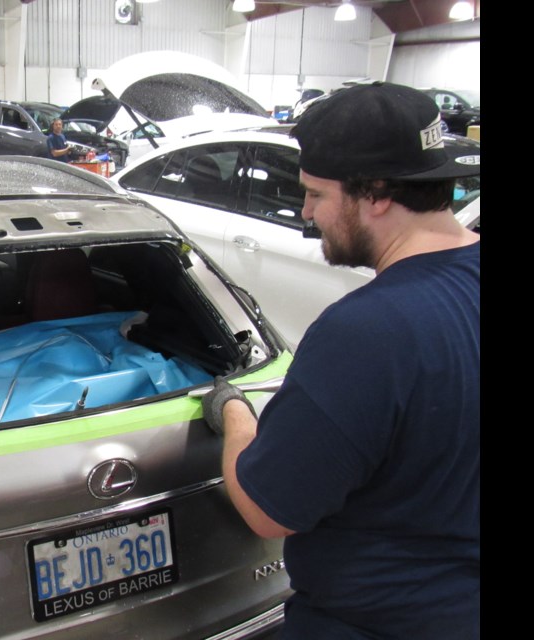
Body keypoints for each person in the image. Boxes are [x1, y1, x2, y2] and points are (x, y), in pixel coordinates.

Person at [202, 83, 479, 639]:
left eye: (315, 194)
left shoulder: (369, 332)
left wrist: (233, 414)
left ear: (375, 193)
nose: (305, 213)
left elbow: (267, 511)